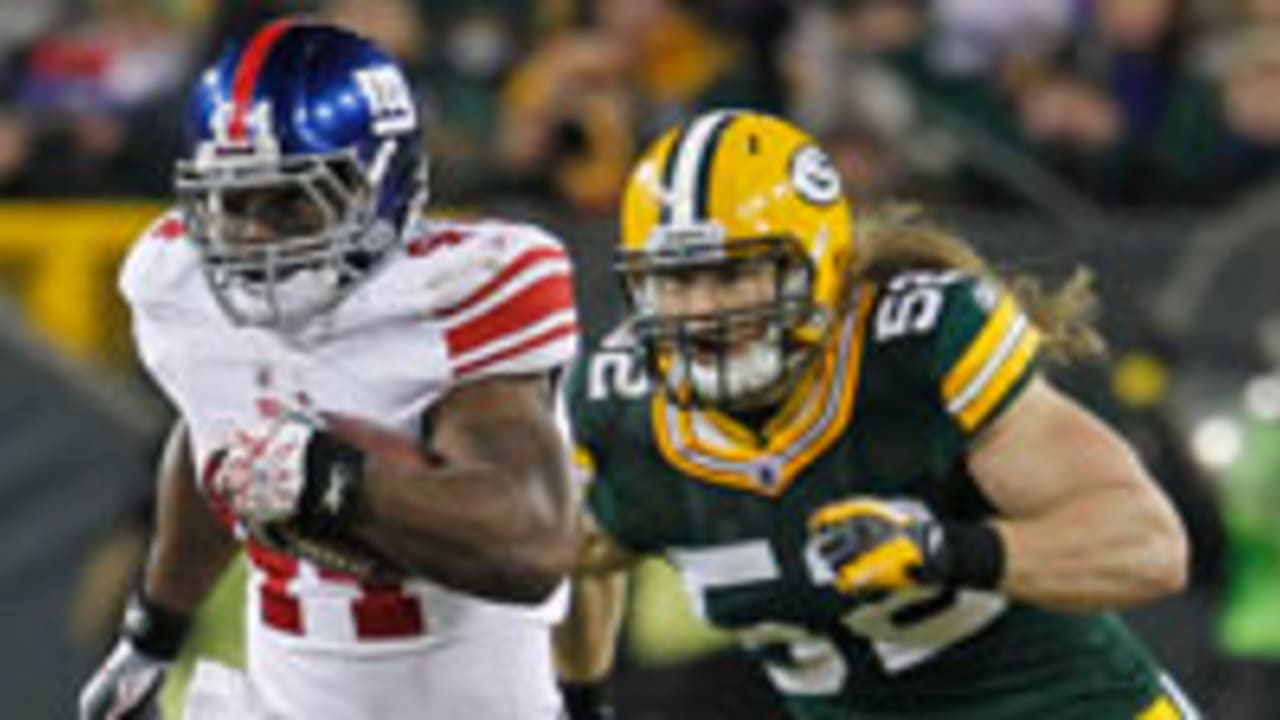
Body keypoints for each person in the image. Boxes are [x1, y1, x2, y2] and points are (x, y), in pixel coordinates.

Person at [555, 109, 1201, 719]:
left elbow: (1148, 545)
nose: (700, 314)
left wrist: (945, 550)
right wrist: (581, 701)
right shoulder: (620, 413)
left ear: (823, 268)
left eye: (731, 277)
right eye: (675, 281)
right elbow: (571, 561)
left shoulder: (911, 351)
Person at [79, 20, 581, 719]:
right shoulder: (178, 283)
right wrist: (151, 635)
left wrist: (339, 481)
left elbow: (532, 547)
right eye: (233, 201)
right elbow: (212, 432)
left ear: (382, 185)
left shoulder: (454, 295)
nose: (254, 235)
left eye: (290, 201)